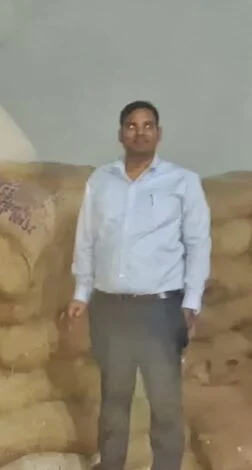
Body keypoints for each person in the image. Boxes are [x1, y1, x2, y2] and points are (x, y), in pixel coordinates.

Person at [65, 101, 211, 470]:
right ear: (121, 134)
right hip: (110, 307)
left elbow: (198, 244)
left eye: (148, 126)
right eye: (132, 125)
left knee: (164, 402)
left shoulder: (182, 182)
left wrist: (192, 301)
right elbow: (87, 239)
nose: (140, 132)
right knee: (114, 399)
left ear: (159, 134)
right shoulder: (101, 181)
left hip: (160, 309)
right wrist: (81, 292)